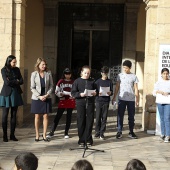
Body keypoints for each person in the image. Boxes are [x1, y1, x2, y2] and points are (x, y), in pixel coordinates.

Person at [112, 60, 139, 139]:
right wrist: (114, 97)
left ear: (130, 68)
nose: (125, 69)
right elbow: (117, 87)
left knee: (131, 116)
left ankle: (131, 131)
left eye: (126, 68)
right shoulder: (120, 75)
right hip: (122, 98)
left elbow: (136, 88)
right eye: (124, 68)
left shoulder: (134, 76)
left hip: (131, 99)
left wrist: (137, 99)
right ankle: (119, 131)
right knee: (120, 115)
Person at [47, 68, 75, 139]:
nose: (67, 75)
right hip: (62, 100)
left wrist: (72, 95)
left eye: (69, 74)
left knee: (69, 117)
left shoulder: (73, 82)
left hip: (70, 100)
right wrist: (60, 94)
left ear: (71, 74)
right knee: (58, 116)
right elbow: (56, 91)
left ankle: (66, 132)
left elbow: (75, 91)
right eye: (66, 74)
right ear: (64, 74)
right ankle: (52, 131)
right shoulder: (60, 81)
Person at [0, 55, 24, 142]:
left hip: (16, 94)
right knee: (5, 115)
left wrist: (13, 81)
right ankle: (5, 136)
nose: (15, 63)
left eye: (15, 62)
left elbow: (21, 81)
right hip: (6, 94)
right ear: (9, 61)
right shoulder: (3, 70)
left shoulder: (17, 69)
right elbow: (6, 82)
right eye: (14, 62)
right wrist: (16, 81)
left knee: (14, 115)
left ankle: (12, 135)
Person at [71, 65, 96, 146]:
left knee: (89, 121)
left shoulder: (92, 81)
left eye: (88, 73)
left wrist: (95, 93)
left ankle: (88, 139)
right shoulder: (77, 81)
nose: (87, 74)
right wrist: (81, 94)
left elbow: (97, 91)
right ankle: (81, 139)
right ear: (81, 72)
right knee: (81, 121)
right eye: (85, 73)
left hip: (90, 103)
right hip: (80, 103)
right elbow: (73, 93)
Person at [30, 57, 53, 142]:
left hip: (46, 97)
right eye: (42, 64)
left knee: (46, 115)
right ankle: (37, 134)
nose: (44, 66)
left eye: (45, 64)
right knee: (37, 116)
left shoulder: (48, 73)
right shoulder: (34, 74)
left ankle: (44, 135)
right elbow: (32, 87)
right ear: (38, 65)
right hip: (37, 98)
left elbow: (51, 85)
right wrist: (39, 96)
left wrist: (47, 95)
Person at [94, 66, 113, 140]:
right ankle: (97, 132)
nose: (105, 75)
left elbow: (111, 91)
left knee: (104, 118)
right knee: (98, 117)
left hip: (106, 101)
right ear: (101, 73)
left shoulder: (109, 81)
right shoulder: (97, 82)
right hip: (99, 100)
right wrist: (98, 93)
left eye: (106, 74)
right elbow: (94, 91)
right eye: (103, 73)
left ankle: (102, 133)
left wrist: (110, 93)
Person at [153, 68, 170, 143]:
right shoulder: (158, 82)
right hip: (160, 101)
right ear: (161, 74)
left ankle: (168, 135)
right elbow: (154, 92)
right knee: (162, 118)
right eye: (164, 73)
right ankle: (162, 134)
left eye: (167, 73)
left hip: (168, 102)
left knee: (167, 118)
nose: (165, 75)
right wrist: (159, 92)